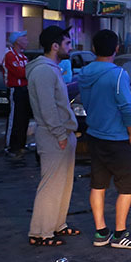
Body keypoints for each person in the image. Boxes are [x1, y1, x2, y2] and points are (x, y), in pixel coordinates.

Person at [80, 29, 131, 249]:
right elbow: (127, 107)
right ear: (116, 49)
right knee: (129, 185)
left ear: (93, 49)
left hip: (94, 134)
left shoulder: (85, 72)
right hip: (115, 137)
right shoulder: (118, 74)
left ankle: (101, 232)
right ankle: (120, 234)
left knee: (98, 184)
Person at [25, 26, 80, 247]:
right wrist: (59, 134)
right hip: (53, 134)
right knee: (51, 183)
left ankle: (57, 224)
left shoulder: (51, 69)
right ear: (55, 46)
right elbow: (48, 108)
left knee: (63, 183)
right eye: (67, 43)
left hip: (61, 132)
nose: (70, 47)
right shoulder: (44, 71)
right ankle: (40, 232)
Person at [2, 31, 31, 158]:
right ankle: (11, 146)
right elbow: (21, 73)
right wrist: (28, 72)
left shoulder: (23, 57)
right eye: (24, 38)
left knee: (24, 118)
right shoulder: (10, 55)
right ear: (17, 41)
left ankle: (21, 145)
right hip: (15, 90)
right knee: (15, 118)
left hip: (25, 89)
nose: (27, 40)